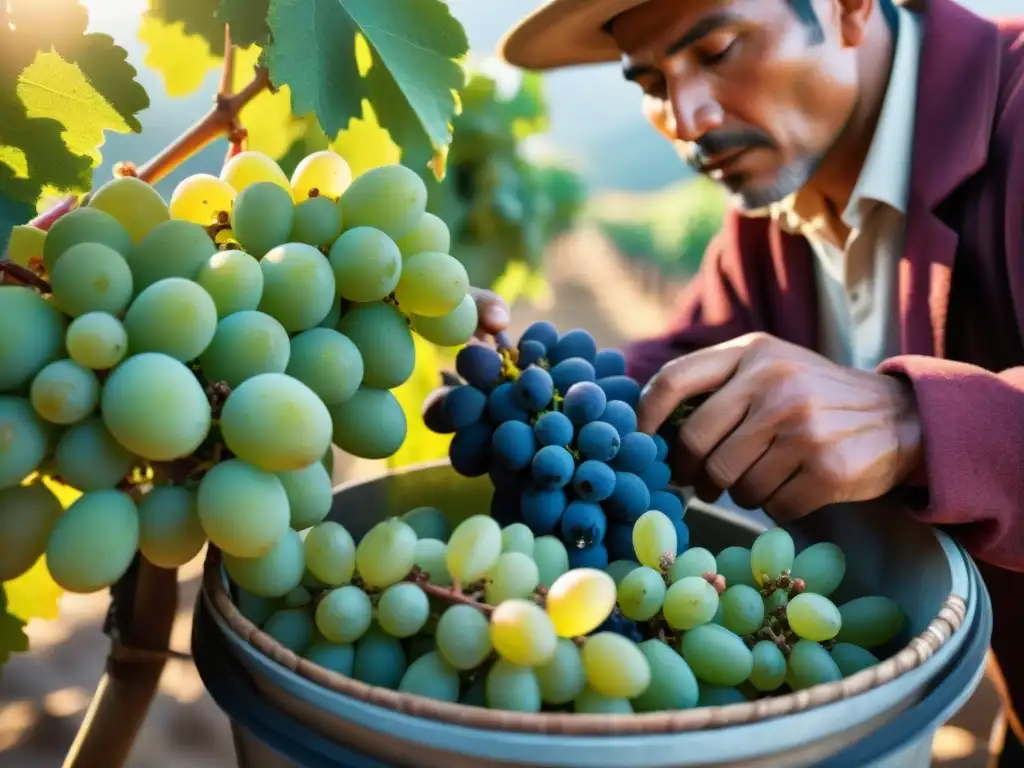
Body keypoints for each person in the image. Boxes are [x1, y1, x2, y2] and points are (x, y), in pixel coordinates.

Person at [443, 0, 1024, 761]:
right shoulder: (773, 210)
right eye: (651, 82)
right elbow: (685, 366)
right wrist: (537, 386)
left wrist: (914, 422)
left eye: (717, 48)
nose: (685, 116)